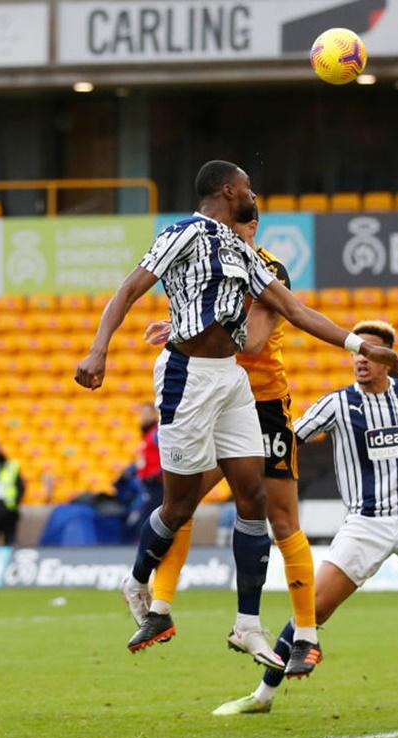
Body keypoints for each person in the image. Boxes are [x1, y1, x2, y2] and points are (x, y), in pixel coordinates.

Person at [73, 160, 398, 671]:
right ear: (230, 191)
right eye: (249, 188)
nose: (255, 196)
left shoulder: (245, 253)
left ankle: (247, 625)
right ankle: (139, 580)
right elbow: (127, 290)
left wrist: (360, 344)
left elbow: (297, 312)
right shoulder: (182, 233)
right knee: (180, 504)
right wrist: (99, 349)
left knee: (252, 495)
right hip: (187, 378)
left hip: (232, 379)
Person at [213, 321, 398, 717]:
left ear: (387, 360)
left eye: (370, 353)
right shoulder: (337, 404)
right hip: (364, 524)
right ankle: (262, 696)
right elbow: (290, 439)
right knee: (314, 609)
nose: (360, 359)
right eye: (357, 352)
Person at [142, 213, 323, 677]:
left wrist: (197, 338)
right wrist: (185, 331)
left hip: (261, 404)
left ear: (251, 226)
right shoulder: (208, 266)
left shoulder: (268, 270)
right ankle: (158, 607)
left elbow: (258, 342)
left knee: (280, 516)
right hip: (214, 393)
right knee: (182, 500)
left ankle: (306, 635)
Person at [121, 404, 162, 541]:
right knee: (144, 518)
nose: (144, 416)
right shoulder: (146, 435)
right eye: (142, 413)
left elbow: (166, 454)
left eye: (147, 413)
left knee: (148, 519)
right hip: (147, 484)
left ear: (153, 415)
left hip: (157, 484)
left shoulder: (156, 434)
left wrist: (157, 474)